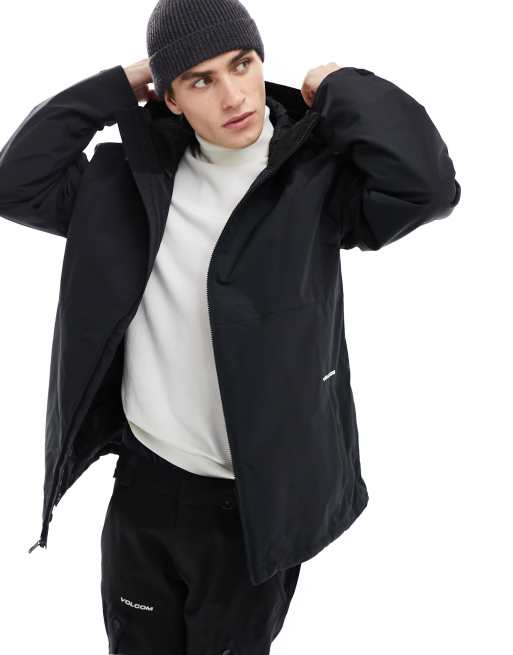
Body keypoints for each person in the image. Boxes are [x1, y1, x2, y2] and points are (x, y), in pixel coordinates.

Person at [0, 0, 461, 652]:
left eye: (242, 64)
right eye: (201, 80)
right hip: (144, 489)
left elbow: (429, 187)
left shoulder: (315, 181)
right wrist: (117, 87)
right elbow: (14, 182)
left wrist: (340, 86)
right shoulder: (128, 183)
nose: (233, 95)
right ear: (169, 99)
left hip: (249, 510)